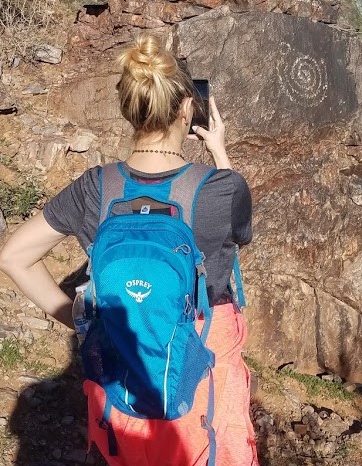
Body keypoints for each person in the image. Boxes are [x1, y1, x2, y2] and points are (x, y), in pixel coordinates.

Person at [0, 34, 259, 466]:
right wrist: (219, 152)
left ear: (129, 111)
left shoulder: (94, 189)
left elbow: (13, 257)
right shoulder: (221, 189)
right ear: (186, 109)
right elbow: (238, 234)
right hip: (201, 378)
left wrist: (78, 319)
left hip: (122, 368)